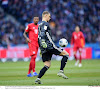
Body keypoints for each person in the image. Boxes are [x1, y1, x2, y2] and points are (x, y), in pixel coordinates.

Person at [35, 11, 69, 84]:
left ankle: (38, 78)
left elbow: (38, 37)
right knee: (66, 54)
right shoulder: (45, 24)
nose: (50, 18)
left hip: (43, 48)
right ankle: (61, 71)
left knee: (47, 65)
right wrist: (48, 44)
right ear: (46, 15)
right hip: (49, 46)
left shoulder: (39, 25)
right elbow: (43, 35)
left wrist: (41, 47)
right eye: (49, 16)